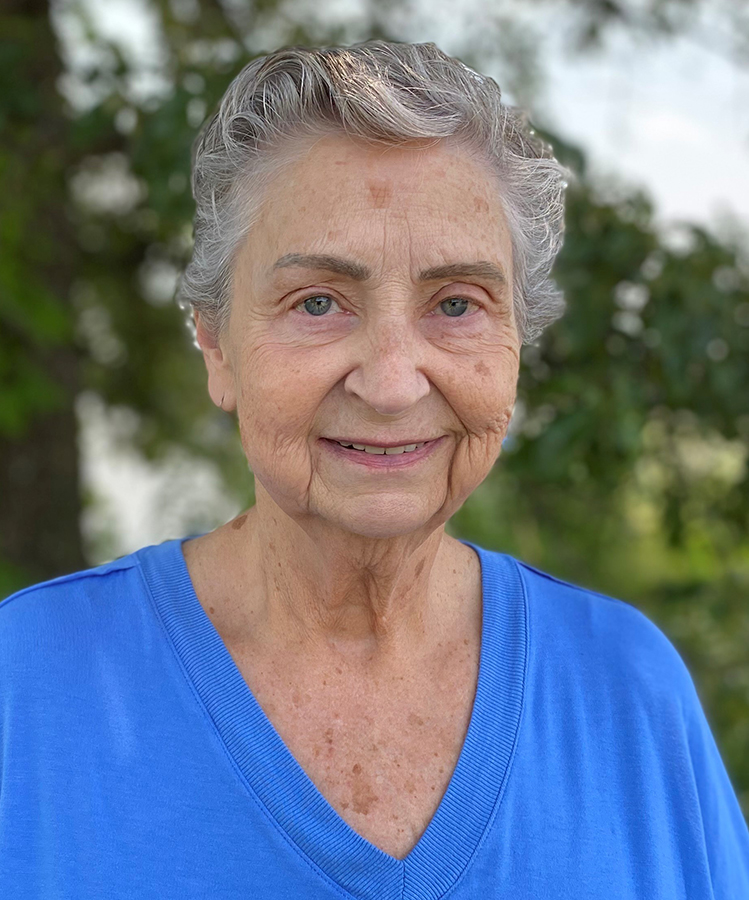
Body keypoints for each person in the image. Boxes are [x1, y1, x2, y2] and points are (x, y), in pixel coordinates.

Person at [1, 39, 748, 899]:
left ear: (517, 345)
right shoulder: (26, 689)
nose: (392, 384)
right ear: (215, 342)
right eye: (318, 302)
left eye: (457, 304)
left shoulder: (627, 692)